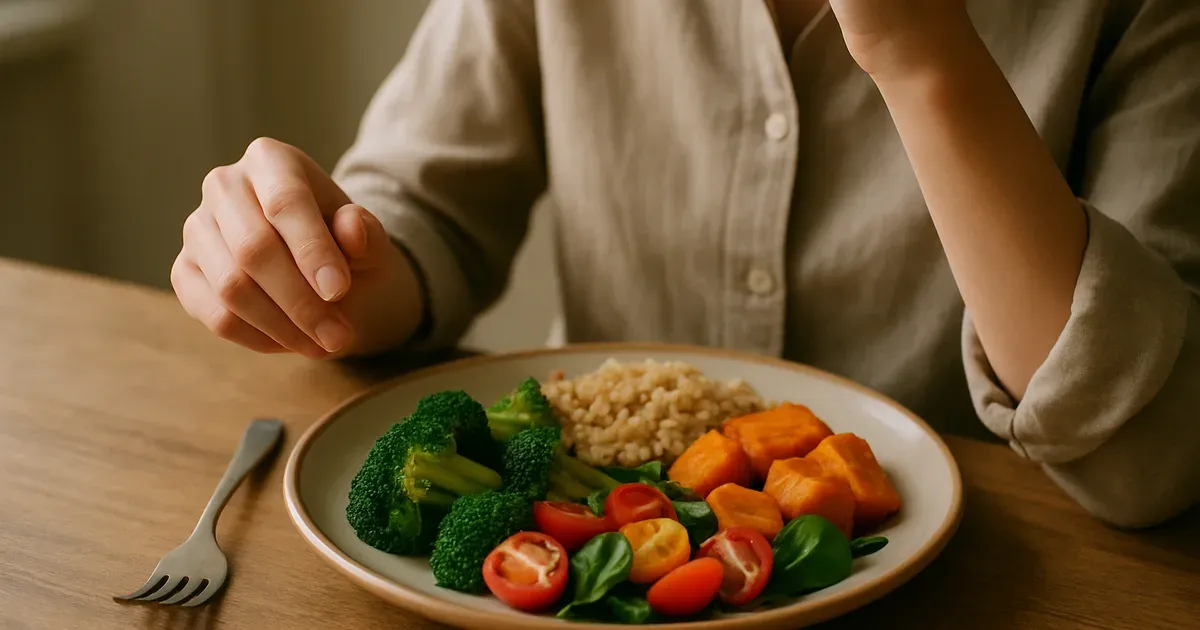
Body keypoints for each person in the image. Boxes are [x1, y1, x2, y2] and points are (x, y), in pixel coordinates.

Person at [171, 0, 1200, 527]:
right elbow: (425, 211)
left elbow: (1149, 455)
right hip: (596, 553)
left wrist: (921, 53)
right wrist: (320, 260)